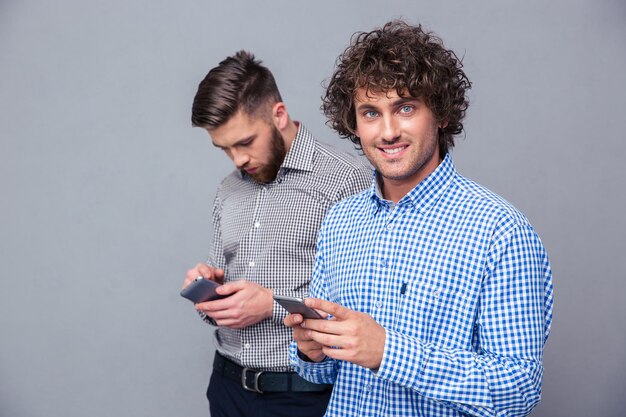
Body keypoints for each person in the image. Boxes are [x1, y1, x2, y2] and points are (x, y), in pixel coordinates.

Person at [285, 20, 554, 417]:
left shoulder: (499, 230)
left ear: (441, 113)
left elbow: (518, 390)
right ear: (354, 124)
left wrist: (390, 353)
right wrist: (313, 352)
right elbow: (328, 375)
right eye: (370, 113)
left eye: (405, 107)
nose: (388, 131)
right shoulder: (341, 222)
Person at [182, 50, 372, 417]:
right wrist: (209, 290)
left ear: (278, 115)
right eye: (224, 149)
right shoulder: (228, 190)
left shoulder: (346, 179)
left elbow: (367, 304)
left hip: (304, 396)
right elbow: (223, 286)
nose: (237, 159)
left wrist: (269, 304)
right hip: (226, 387)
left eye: (245, 142)